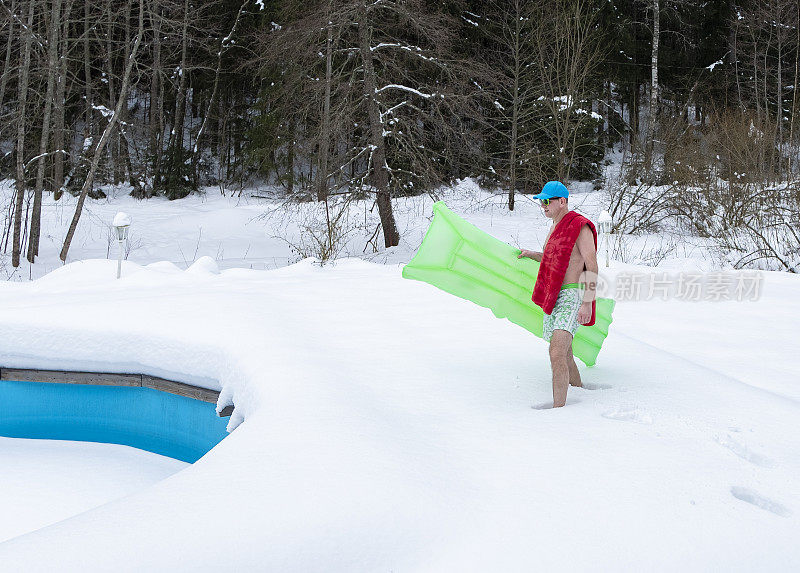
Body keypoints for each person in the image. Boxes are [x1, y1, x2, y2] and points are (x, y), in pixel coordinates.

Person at [518, 181, 598, 408]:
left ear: (562, 201)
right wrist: (531, 254)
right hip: (554, 296)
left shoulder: (580, 226)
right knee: (565, 352)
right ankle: (581, 393)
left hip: (573, 295)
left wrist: (587, 303)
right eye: (541, 201)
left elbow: (592, 266)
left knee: (556, 351)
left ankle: (559, 411)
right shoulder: (554, 227)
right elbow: (552, 259)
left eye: (547, 201)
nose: (543, 205)